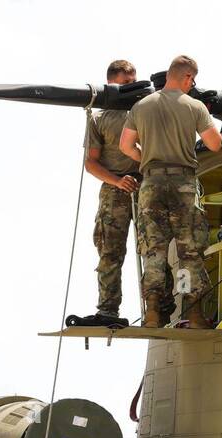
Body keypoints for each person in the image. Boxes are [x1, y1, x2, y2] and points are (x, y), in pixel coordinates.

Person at [120, 55, 222, 328]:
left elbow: (125, 145)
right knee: (189, 251)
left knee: (153, 251)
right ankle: (194, 313)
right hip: (183, 184)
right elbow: (214, 144)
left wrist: (145, 157)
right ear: (188, 77)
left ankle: (152, 312)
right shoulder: (194, 106)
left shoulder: (141, 106)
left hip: (151, 184)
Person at [81, 59, 141, 326]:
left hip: (146, 186)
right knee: (110, 251)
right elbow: (90, 163)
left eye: (134, 82)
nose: (132, 88)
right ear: (112, 83)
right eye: (126, 83)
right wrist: (117, 182)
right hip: (115, 189)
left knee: (156, 250)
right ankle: (108, 309)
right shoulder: (98, 118)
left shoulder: (144, 111)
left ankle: (159, 309)